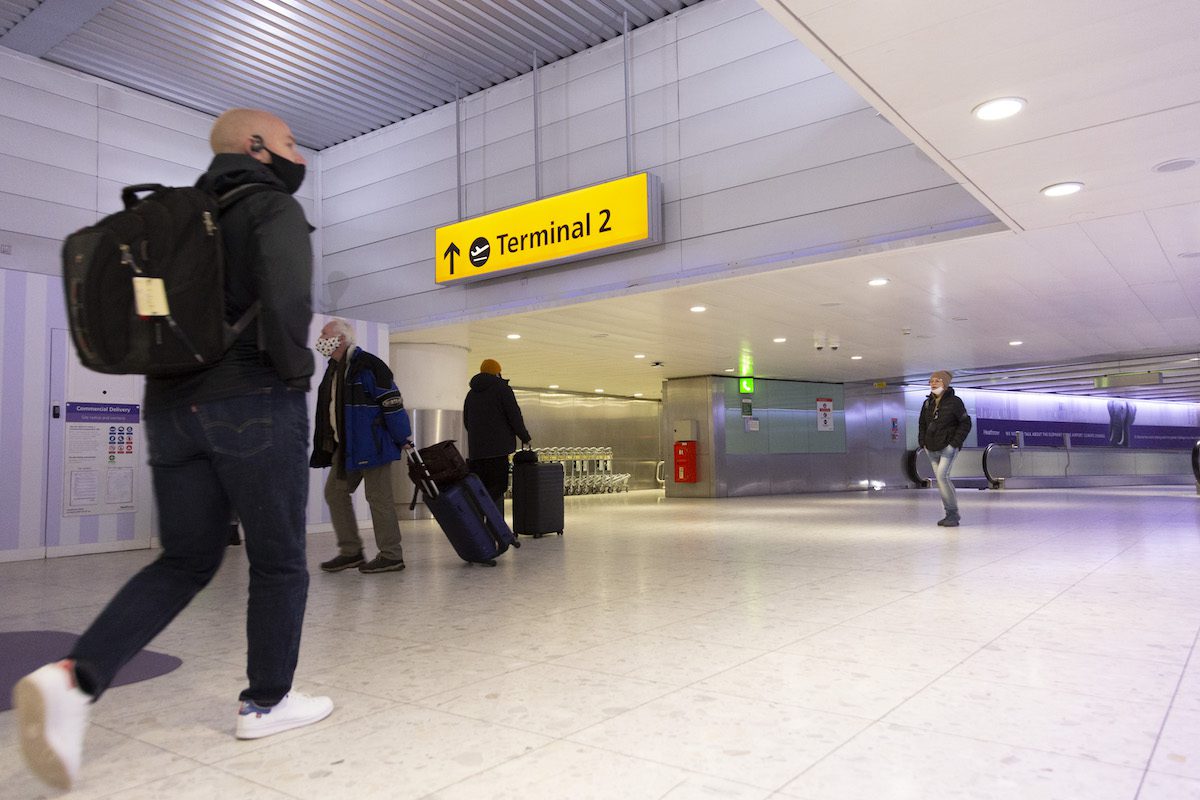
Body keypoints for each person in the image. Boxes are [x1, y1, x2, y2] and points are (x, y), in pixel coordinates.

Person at [14, 108, 331, 791]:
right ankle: (266, 702)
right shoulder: (268, 206)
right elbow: (287, 298)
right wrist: (294, 374)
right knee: (279, 563)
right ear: (256, 147)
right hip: (253, 400)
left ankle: (75, 681)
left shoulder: (178, 217)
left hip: (169, 409)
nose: (296, 151)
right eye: (288, 141)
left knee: (186, 558)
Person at [311, 319, 413, 574]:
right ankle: (351, 551)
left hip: (373, 445)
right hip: (346, 447)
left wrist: (403, 437)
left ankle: (391, 555)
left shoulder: (368, 366)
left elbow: (391, 402)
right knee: (335, 493)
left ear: (341, 339)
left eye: (325, 333)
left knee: (378, 499)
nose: (321, 338)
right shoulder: (334, 368)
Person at [463, 359, 531, 509]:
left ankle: (481, 525)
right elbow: (514, 416)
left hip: (477, 452)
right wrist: (525, 437)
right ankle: (495, 527)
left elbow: (467, 421)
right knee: (498, 488)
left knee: (480, 489)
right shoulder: (502, 389)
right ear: (497, 372)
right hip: (498, 451)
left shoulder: (471, 394)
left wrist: (478, 439)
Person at [918, 370, 972, 527]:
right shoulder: (927, 404)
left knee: (942, 478)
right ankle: (951, 513)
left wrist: (954, 443)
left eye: (937, 380)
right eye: (931, 380)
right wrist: (923, 443)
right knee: (942, 480)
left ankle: (952, 514)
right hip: (931, 448)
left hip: (947, 447)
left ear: (945, 384)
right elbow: (922, 424)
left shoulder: (955, 402)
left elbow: (965, 423)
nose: (933, 383)